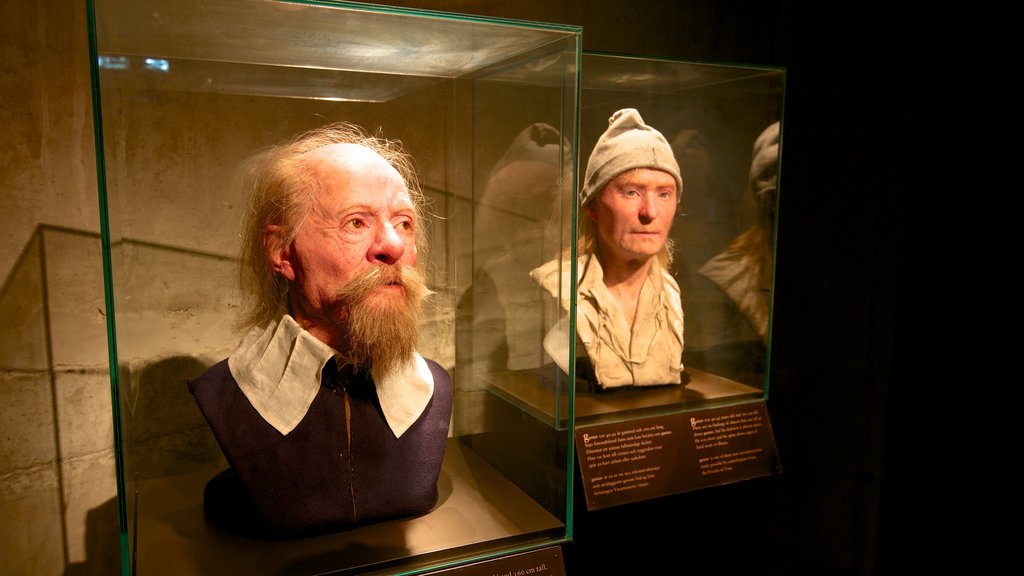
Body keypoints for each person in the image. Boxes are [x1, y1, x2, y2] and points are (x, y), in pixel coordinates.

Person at [188, 122, 453, 539]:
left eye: (404, 222)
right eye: (355, 222)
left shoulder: (433, 386)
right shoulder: (226, 393)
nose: (394, 247)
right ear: (282, 252)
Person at [530, 108, 685, 392]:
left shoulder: (671, 294)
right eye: (631, 192)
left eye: (664, 194)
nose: (650, 212)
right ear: (593, 207)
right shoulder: (562, 285)